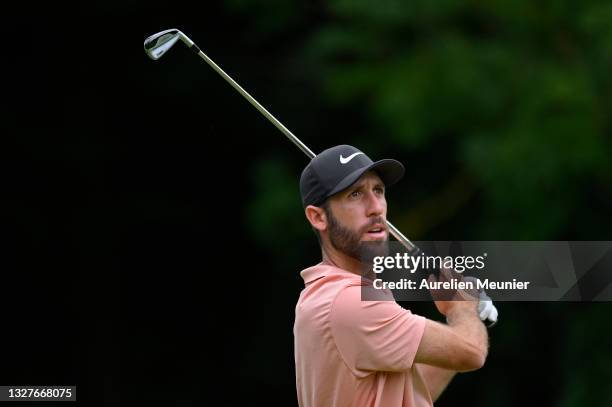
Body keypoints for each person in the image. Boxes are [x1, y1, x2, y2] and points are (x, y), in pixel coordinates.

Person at [294, 145, 489, 407]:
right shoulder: (349, 302)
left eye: (378, 191)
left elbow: (410, 395)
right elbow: (472, 353)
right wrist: (462, 310)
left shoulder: (330, 294)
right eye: (355, 194)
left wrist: (470, 317)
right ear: (318, 217)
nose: (376, 208)